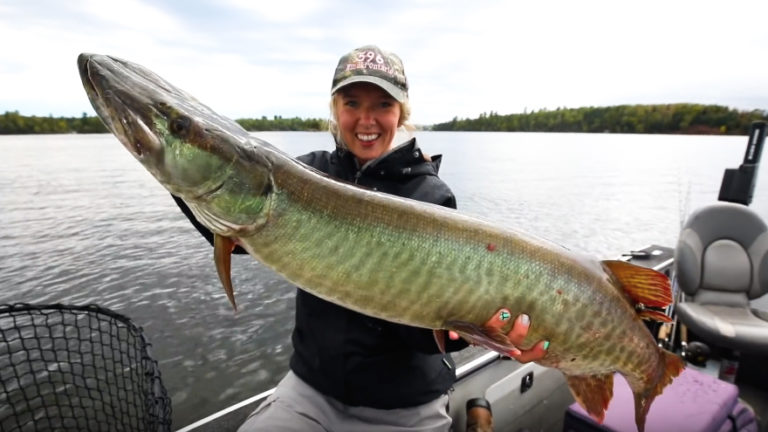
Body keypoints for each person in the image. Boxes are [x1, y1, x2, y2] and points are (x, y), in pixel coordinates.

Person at [172, 45, 548, 431]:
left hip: (403, 407)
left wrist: (460, 333)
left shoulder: (429, 196)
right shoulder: (308, 173)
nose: (366, 119)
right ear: (335, 108)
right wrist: (177, 169)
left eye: (383, 104)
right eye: (352, 102)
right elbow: (234, 223)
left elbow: (423, 331)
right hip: (310, 391)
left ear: (401, 112)